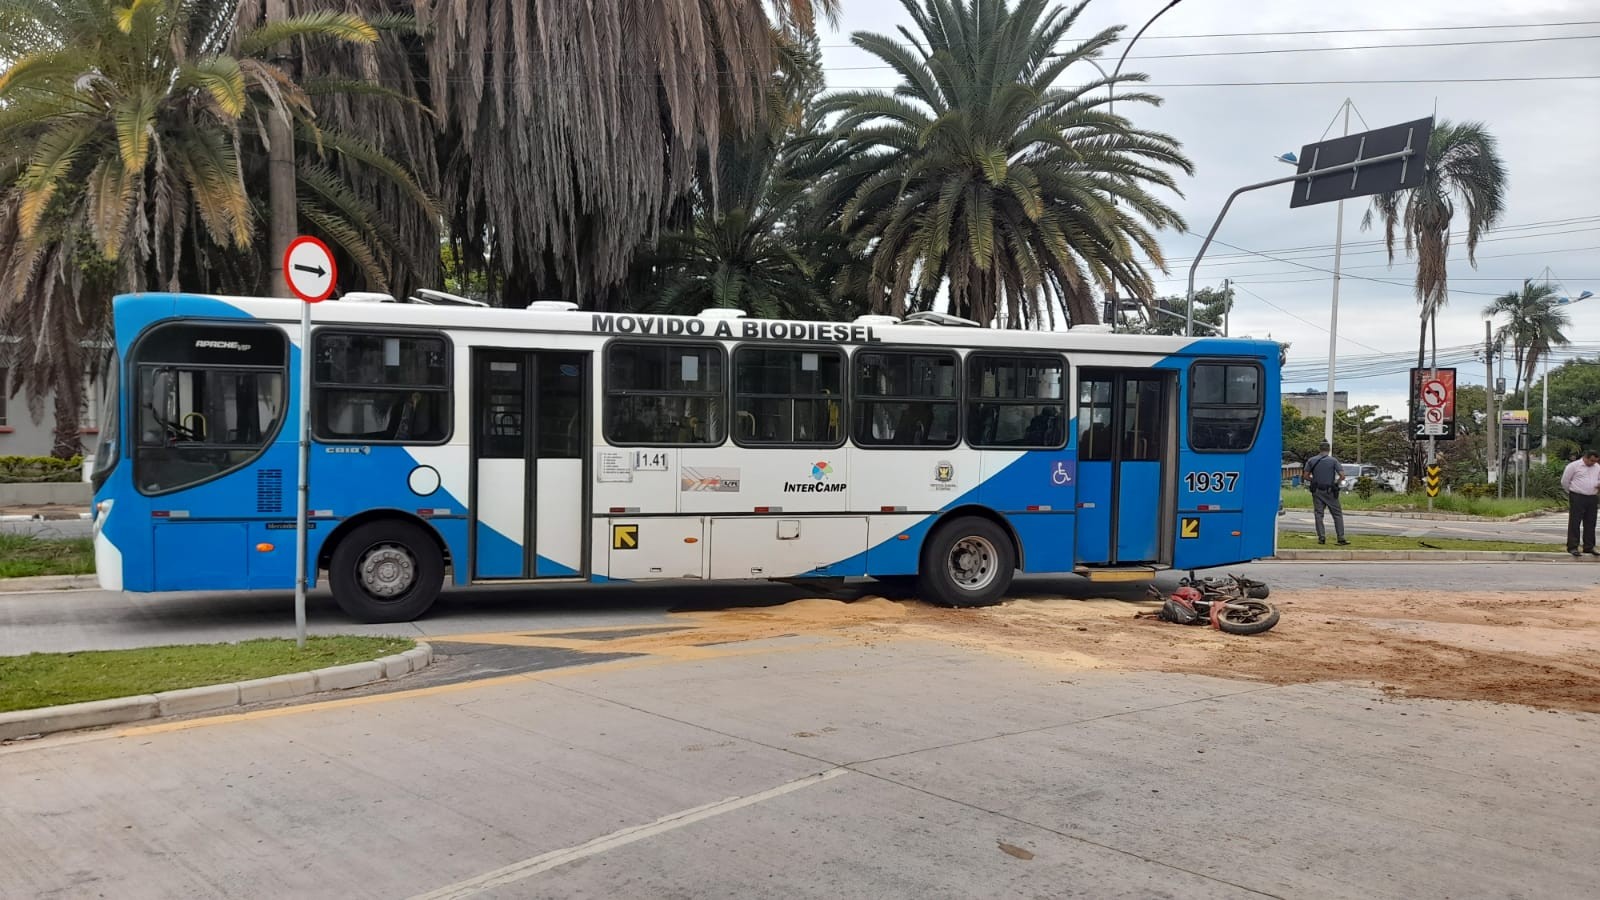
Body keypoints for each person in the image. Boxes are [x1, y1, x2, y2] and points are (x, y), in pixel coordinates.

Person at [1304, 441, 1349, 545]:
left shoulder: (1311, 460)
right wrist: (1336, 483)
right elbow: (1342, 476)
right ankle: (1341, 537)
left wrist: (1314, 481)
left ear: (1319, 449)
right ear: (1329, 449)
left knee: (1319, 514)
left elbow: (1305, 476)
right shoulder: (1333, 461)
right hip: (1330, 491)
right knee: (1337, 514)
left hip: (1317, 491)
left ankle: (1321, 537)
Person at [1560, 450, 1600, 558]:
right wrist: (1572, 492)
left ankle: (1589, 546)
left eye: (1595, 461)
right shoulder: (1574, 466)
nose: (1593, 463)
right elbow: (1565, 481)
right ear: (1585, 457)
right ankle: (1573, 547)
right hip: (1577, 496)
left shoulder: (1597, 467)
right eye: (1591, 460)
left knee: (1591, 522)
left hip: (1592, 497)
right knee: (1575, 521)